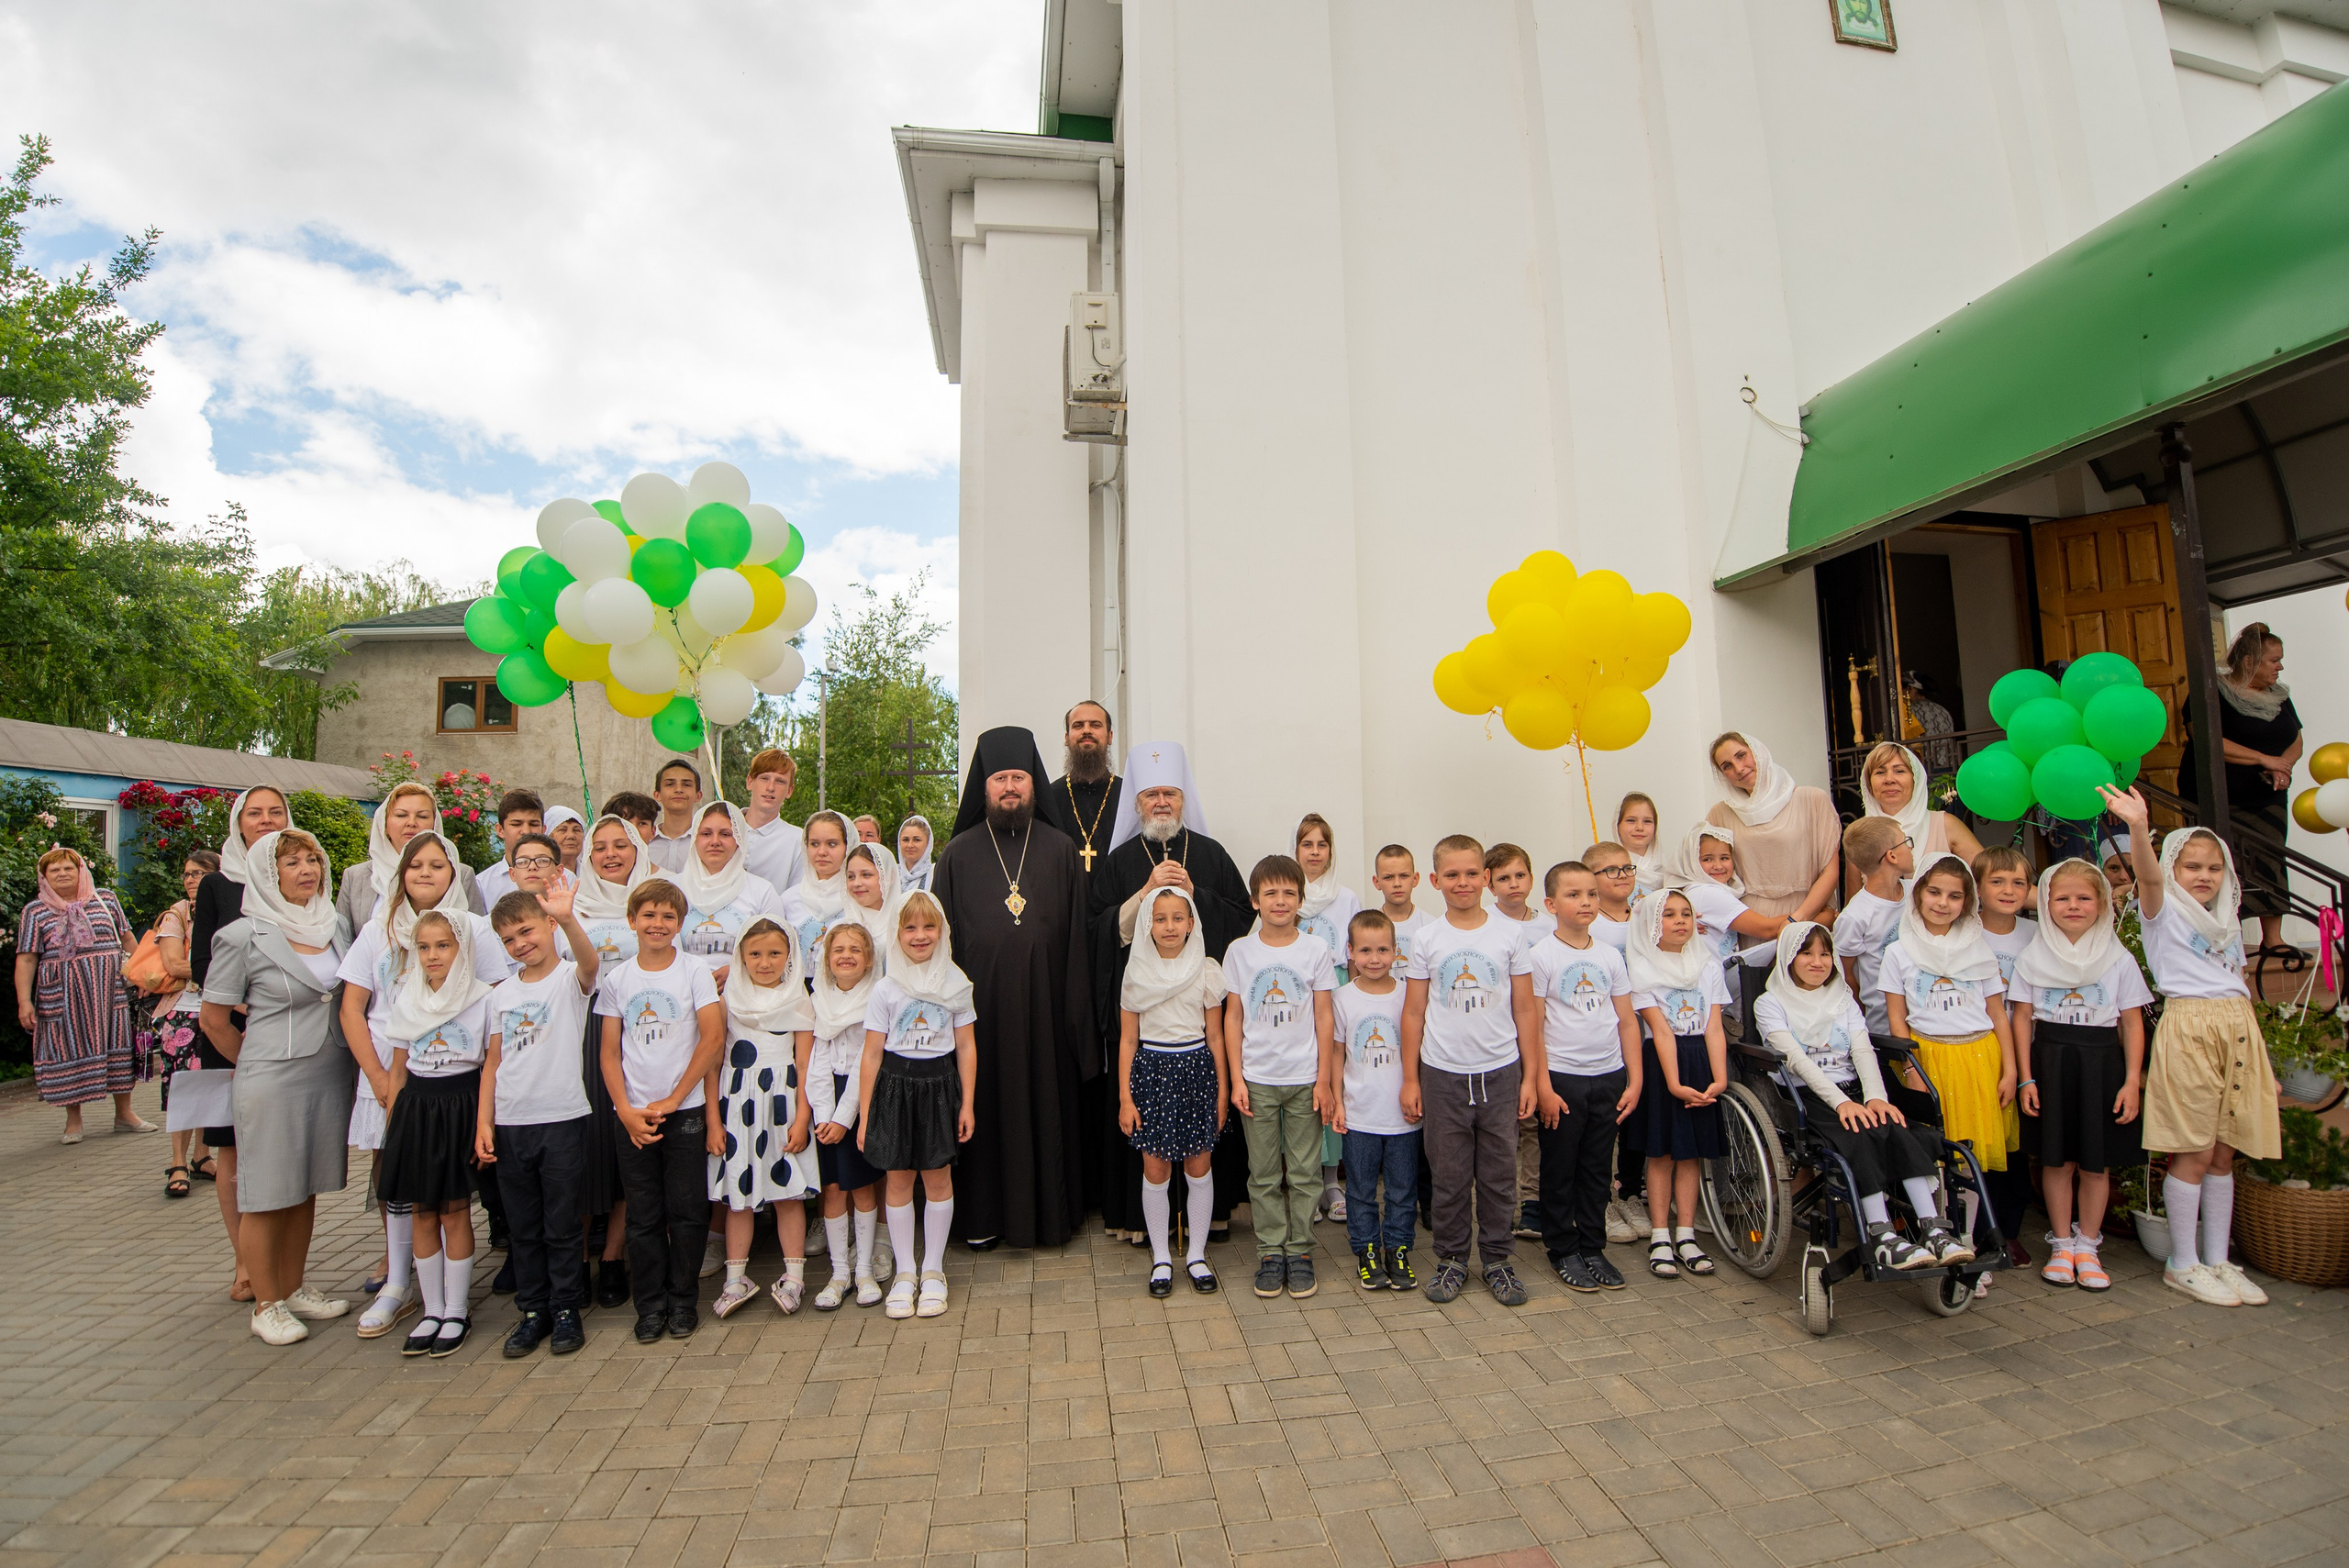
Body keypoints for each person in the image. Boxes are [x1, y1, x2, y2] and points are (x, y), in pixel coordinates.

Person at [2099, 785, 2281, 1308]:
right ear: (2174, 869)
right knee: (2196, 1149)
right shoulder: (2163, 911)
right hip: (2191, 1027)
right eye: (2192, 866)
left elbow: (2238, 986)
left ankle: (2217, 1257)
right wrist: (2138, 827)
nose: (2203, 876)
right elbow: (2148, 875)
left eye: (2214, 867)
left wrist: (2261, 1059)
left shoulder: (2225, 922)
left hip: (2237, 1026)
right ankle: (2183, 1263)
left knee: (2225, 1150)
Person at [930, 728, 1094, 1251]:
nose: (1009, 788)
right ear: (984, 785)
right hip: (981, 1021)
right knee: (985, 1112)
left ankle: (1050, 1219)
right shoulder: (956, 856)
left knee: (1048, 1108)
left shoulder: (1062, 849)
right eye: (1000, 778)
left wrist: (1077, 1021)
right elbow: (937, 947)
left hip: (1047, 1015)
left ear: (1032, 786)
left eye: (1018, 778)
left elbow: (1076, 943)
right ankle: (984, 1218)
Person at [338, 831, 506, 1338]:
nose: (426, 873)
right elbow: (360, 1011)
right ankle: (410, 1293)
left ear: (454, 873)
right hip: (404, 1084)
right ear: (400, 872)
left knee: (454, 1206)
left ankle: (454, 1307)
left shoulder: (476, 930)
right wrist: (384, 1086)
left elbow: (496, 1015)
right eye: (416, 865)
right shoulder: (378, 932)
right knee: (411, 1201)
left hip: (462, 1090)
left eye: (438, 865)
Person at [1088, 743, 1254, 1244]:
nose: (1161, 802)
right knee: (1150, 1147)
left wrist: (1195, 896)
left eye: (1170, 793)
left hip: (1196, 1026)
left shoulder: (1210, 854)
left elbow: (1243, 921)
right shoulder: (1119, 862)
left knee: (1204, 1142)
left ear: (1183, 800)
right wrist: (1143, 896)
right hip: (1145, 1025)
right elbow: (1096, 931)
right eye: (1152, 794)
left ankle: (1209, 1224)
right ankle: (1147, 1229)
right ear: (1137, 803)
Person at [197, 828, 357, 1346]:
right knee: (266, 1191)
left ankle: (292, 1287)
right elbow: (214, 1019)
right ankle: (266, 1304)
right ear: (269, 874)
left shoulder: (335, 925)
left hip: (328, 1072)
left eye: (313, 860)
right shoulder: (242, 936)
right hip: (269, 1076)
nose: (307, 869)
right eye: (292, 863)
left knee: (304, 1185)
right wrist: (251, 1063)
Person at [1756, 923, 1965, 1273]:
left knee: (1895, 1126)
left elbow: (1863, 1050)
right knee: (1857, 1135)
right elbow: (1799, 1062)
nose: (1817, 962)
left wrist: (1876, 1098)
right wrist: (1842, 1104)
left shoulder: (1843, 997)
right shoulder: (1770, 1003)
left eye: (1825, 953)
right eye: (1806, 953)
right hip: (1807, 1096)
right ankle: (1882, 1234)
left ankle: (1933, 1229)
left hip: (1854, 1088)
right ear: (1789, 958)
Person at [1402, 834, 1534, 1308]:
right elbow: (1414, 1012)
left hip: (1500, 1071)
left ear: (1485, 877)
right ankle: (1453, 1258)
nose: (1463, 883)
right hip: (1442, 1074)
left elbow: (1524, 1009)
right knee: (1451, 1174)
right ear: (1436, 881)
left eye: (1471, 874)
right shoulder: (1427, 938)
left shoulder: (1509, 935)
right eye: (1452, 875)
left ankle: (1498, 1260)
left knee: (1499, 1174)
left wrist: (1532, 1077)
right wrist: (1412, 1078)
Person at [1880, 854, 2020, 1287]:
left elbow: (1998, 1014)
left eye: (1955, 896)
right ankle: (1942, 1237)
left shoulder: (1979, 949)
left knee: (1971, 1161)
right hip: (1931, 1062)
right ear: (1918, 893)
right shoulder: (1899, 952)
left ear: (1968, 901)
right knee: (1937, 1161)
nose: (1943, 903)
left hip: (1979, 1059)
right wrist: (1912, 1070)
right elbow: (1897, 1019)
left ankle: (1970, 1248)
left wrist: (2011, 1070)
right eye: (1934, 892)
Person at [2012, 860, 2147, 1291]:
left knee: (2094, 1161)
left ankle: (2088, 1245)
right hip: (2051, 1062)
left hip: (2101, 1063)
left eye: (2084, 897)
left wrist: (2132, 1079)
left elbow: (2131, 1021)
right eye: (2063, 897)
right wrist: (2026, 1078)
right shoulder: (2034, 956)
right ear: (2047, 902)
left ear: (2103, 902)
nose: (2073, 905)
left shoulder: (2118, 957)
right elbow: (2021, 1019)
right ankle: (2062, 1244)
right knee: (2056, 1158)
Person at [597, 879, 724, 1341]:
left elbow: (711, 1039)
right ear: (631, 921)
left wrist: (674, 1098)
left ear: (681, 924)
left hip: (684, 1110)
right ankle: (649, 1305)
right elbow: (609, 1052)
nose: (657, 923)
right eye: (648, 915)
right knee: (643, 1213)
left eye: (668, 916)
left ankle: (683, 1300)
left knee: (688, 1210)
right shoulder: (618, 980)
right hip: (633, 1116)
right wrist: (625, 1110)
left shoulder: (694, 972)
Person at [478, 884, 601, 1356]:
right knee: (522, 1224)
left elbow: (591, 965)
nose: (520, 944)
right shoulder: (501, 995)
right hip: (511, 1123)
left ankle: (567, 1308)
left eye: (526, 930)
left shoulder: (570, 979)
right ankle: (534, 1310)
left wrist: (568, 917)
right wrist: (484, 1122)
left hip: (562, 1117)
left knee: (562, 1221)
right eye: (508, 939)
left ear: (549, 927)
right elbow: (493, 1062)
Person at [189, 784, 294, 1304]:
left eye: (276, 812)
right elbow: (203, 962)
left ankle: (283, 1267)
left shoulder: (301, 876)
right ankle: (244, 1262)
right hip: (229, 1029)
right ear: (239, 822)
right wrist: (241, 1005)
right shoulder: (218, 885)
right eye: (256, 813)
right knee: (231, 1150)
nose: (267, 820)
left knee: (280, 1149)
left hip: (286, 1034)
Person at [1517, 861, 1641, 1294]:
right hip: (1563, 1080)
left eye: (1591, 893)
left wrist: (1635, 1079)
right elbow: (1533, 1024)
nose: (1585, 901)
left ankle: (1592, 1244)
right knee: (1560, 1166)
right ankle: (1562, 1246)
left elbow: (1627, 1020)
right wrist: (1542, 1085)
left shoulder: (1609, 956)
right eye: (1573, 894)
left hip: (1608, 1076)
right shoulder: (1541, 957)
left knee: (1595, 1168)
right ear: (1551, 904)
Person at [375, 909, 495, 1357]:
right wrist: (394, 1129)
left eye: (443, 945)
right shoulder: (406, 995)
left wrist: (484, 1123)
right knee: (421, 1211)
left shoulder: (483, 998)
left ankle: (458, 1310)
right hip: (418, 1110)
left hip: (460, 1106)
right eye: (423, 947)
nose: (432, 955)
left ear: (462, 949)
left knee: (453, 1210)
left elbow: (491, 1066)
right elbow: (399, 1066)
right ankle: (432, 1307)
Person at [1221, 853, 1337, 1298]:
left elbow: (1325, 1017)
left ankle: (1300, 1250)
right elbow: (1233, 1018)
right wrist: (1237, 1079)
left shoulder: (1315, 950)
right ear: (1255, 901)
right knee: (1264, 1172)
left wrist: (1324, 1079)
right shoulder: (1240, 951)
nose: (1280, 900)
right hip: (1258, 1079)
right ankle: (1271, 1251)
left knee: (1306, 1171)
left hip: (1305, 1078)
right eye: (1270, 893)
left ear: (1300, 899)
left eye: (1289, 892)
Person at [859, 890, 979, 1318]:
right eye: (910, 927)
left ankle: (932, 1270)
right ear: (897, 934)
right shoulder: (886, 989)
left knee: (937, 1178)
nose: (920, 935)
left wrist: (966, 1104)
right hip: (894, 1088)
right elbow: (872, 1055)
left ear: (942, 931)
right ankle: (905, 1272)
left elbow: (965, 1047)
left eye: (929, 926)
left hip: (938, 1086)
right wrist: (866, 1113)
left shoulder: (956, 982)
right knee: (898, 1179)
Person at [1117, 886, 1230, 1296]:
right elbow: (1128, 1040)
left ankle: (1196, 1254)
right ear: (1149, 924)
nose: (1169, 926)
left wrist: (1221, 1092)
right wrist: (1125, 1098)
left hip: (1196, 1071)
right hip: (1153, 1074)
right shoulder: (1136, 973)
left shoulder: (1206, 970)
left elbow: (1215, 1037)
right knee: (1156, 1169)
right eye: (1160, 918)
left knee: (1198, 1167)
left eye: (1178, 918)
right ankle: (1162, 1257)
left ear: (1191, 923)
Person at [708, 918, 818, 1318]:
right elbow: (714, 1061)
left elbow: (805, 1064)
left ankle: (794, 1276)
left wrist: (803, 1117)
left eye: (775, 953)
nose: (765, 962)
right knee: (739, 1198)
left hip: (782, 1106)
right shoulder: (728, 1001)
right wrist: (714, 1121)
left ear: (789, 956)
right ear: (741, 956)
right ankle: (736, 1278)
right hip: (737, 1106)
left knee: (787, 1193)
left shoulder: (799, 1000)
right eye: (755, 954)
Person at [2180, 622, 2303, 958]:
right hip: (2218, 796)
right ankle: (2219, 938)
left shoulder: (2280, 696)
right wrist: (2265, 759)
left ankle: (2273, 939)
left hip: (2267, 797)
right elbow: (2208, 741)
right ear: (2249, 662)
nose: (2280, 667)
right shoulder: (2211, 691)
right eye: (2273, 660)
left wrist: (2284, 767)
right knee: (2218, 864)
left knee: (2271, 861)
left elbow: (2295, 740)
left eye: (2280, 660)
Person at [1626, 889, 1729, 1280]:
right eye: (1669, 915)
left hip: (1701, 1060)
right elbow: (1661, 1031)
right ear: (1653, 923)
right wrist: (1673, 1084)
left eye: (1686, 913)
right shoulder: (1642, 968)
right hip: (1664, 1064)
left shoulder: (1708, 964)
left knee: (1692, 1153)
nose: (1680, 921)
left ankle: (1685, 1233)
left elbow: (1715, 1026)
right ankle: (1659, 1235)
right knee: (1663, 1154)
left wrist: (1719, 1078)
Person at [16, 846, 150, 1144]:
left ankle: (125, 1115)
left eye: (68, 868)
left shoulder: (106, 900)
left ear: (81, 871)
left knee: (118, 1044)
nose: (62, 874)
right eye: (54, 870)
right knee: (67, 1048)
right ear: (44, 877)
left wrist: (142, 974)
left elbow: (127, 938)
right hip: (61, 995)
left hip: (109, 991)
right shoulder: (35, 911)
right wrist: (24, 1001)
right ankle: (73, 1121)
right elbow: (26, 958)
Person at [574, 814, 649, 1308]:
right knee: (582, 1150)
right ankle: (579, 1258)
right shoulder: (569, 904)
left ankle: (614, 1258)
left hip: (641, 1035)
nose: (610, 854)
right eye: (599, 846)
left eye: (621, 845)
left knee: (626, 1148)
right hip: (580, 1036)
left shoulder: (653, 898)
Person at [1332, 911, 1414, 1292]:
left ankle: (1398, 1249)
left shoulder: (1410, 995)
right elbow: (1336, 1054)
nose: (1375, 958)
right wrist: (1337, 1100)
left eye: (1383, 949)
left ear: (1396, 951)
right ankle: (1366, 1250)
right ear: (1350, 952)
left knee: (1401, 1189)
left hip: (1403, 1117)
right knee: (1361, 1190)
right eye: (1365, 950)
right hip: (1360, 1114)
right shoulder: (1342, 998)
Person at [808, 923, 885, 1307]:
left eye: (856, 949)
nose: (846, 955)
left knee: (862, 1186)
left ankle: (865, 1270)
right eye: (838, 949)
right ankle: (839, 1273)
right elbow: (817, 1060)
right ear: (827, 958)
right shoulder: (818, 998)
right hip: (827, 1102)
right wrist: (824, 1115)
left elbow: (864, 1063)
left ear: (869, 959)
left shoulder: (876, 997)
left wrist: (843, 1118)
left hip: (860, 1100)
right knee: (833, 1188)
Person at [1296, 815, 1362, 1220]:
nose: (1315, 852)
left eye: (1322, 844)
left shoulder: (1347, 897)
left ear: (1331, 851)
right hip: (1301, 997)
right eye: (1307, 844)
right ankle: (1304, 1182)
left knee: (1334, 1083)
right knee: (1306, 1085)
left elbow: (1355, 955)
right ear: (1296, 850)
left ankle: (1331, 1182)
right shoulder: (1289, 894)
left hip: (1336, 991)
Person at [1704, 731, 1840, 921]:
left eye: (1741, 755)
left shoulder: (1812, 800)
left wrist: (1796, 920)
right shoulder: (1719, 814)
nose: (1739, 768)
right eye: (1727, 766)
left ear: (1758, 752)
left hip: (1808, 914)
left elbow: (1830, 872)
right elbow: (1708, 873)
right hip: (1751, 920)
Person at [151, 851, 220, 1197]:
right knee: (181, 1086)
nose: (191, 879)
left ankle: (202, 1156)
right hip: (183, 1011)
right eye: (187, 874)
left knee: (212, 1081)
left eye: (199, 873)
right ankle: (177, 1161)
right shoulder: (177, 915)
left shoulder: (225, 906)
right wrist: (222, 969)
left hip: (219, 1006)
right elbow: (173, 964)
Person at [335, 779, 482, 940]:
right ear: (384, 824)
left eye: (422, 816)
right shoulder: (355, 877)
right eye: (401, 815)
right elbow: (344, 942)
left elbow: (475, 936)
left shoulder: (462, 874)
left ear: (434, 824)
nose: (411, 823)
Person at [675, 801, 786, 972]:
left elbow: (777, 951)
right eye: (706, 834)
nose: (715, 841)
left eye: (725, 834)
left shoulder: (762, 891)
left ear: (739, 839)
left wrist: (736, 971)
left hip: (744, 991)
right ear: (694, 838)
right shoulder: (671, 889)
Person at [1854, 743, 1981, 890]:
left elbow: (1987, 877)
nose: (1889, 779)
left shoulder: (1944, 825)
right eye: (1880, 772)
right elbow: (1854, 903)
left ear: (1916, 779)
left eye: (1899, 771)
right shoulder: (1861, 834)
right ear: (1869, 784)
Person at [1834, 817, 1913, 1037]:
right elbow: (1846, 975)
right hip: (1884, 1024)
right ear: (1892, 855)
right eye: (1906, 842)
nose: (1910, 848)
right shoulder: (1855, 915)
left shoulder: (1917, 893)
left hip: (1924, 1016)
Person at [1043, 699, 1121, 885]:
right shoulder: (1049, 798)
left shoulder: (1128, 796)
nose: (1087, 730)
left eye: (1095, 725)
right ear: (1067, 738)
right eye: (1078, 726)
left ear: (1110, 737)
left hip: (1115, 905)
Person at [781, 811, 853, 957]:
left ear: (848, 846)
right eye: (814, 844)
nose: (822, 852)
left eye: (832, 844)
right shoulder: (788, 899)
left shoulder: (858, 896)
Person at [739, 749, 807, 894]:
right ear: (750, 782)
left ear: (789, 791)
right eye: (764, 778)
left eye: (780, 781)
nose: (770, 788)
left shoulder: (798, 840)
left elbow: (795, 896)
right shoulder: (723, 830)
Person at [1973, 846, 2038, 989]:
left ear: (2028, 890)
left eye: (2018, 883)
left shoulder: (2037, 933)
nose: (2008, 891)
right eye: (1997, 882)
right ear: (1977, 888)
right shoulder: (1963, 931)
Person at [473, 789, 547, 907]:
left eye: (533, 824)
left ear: (543, 830)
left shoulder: (564, 878)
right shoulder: (482, 884)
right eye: (516, 824)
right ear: (500, 830)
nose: (526, 831)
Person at [1371, 845, 1427, 966]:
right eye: (1388, 877)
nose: (1397, 884)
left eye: (1404, 876)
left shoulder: (1429, 925)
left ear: (1415, 879)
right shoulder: (1368, 926)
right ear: (1377, 882)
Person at [649, 759, 706, 874]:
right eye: (670, 784)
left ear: (698, 796)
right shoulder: (645, 842)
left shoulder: (707, 842)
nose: (679, 790)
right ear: (657, 795)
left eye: (686, 784)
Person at [1583, 842, 1637, 952]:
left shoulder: (1644, 918)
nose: (1623, 875)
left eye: (1627, 868)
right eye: (1611, 870)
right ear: (1591, 877)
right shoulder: (1587, 925)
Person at [1615, 793, 1665, 897]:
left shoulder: (1668, 873)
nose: (1639, 827)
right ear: (1617, 826)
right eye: (1631, 821)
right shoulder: (1608, 869)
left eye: (1647, 821)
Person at [896, 816, 936, 895]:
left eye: (917, 840)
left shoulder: (935, 874)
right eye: (905, 840)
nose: (910, 845)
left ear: (928, 844)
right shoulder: (891, 873)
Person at [543, 806, 586, 874]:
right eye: (563, 830)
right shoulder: (537, 875)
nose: (571, 836)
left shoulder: (592, 876)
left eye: (576, 830)